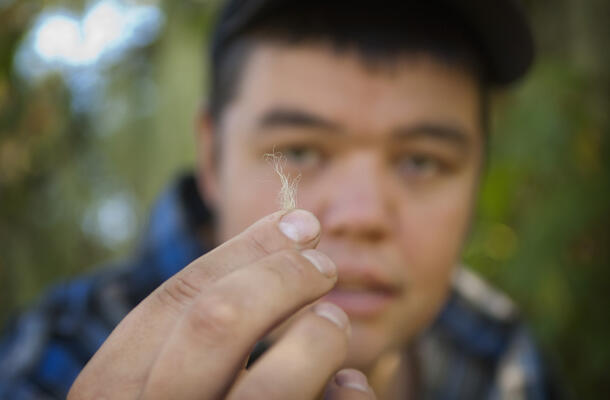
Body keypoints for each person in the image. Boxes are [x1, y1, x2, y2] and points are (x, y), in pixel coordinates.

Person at [0, 0, 560, 399]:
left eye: (422, 160)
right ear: (212, 155)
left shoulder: (504, 358)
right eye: (299, 149)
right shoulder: (52, 359)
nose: (363, 215)